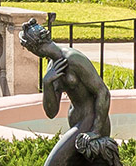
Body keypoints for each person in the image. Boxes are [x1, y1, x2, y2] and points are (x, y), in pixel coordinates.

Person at [20, 19, 120, 166]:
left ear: (33, 47)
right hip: (77, 123)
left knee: (51, 164)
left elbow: (103, 92)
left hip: (91, 121)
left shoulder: (73, 58)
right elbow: (51, 112)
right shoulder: (52, 68)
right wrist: (47, 83)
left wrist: (96, 130)